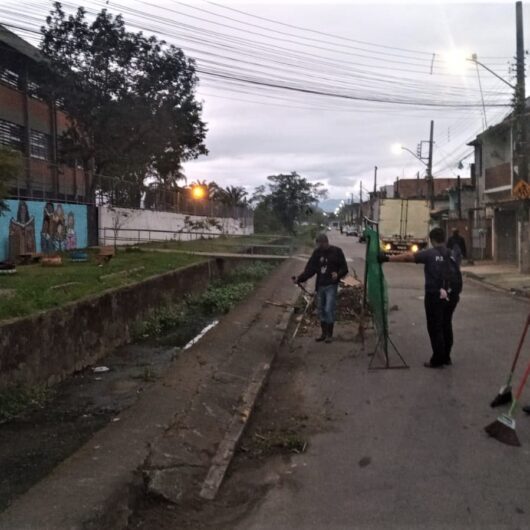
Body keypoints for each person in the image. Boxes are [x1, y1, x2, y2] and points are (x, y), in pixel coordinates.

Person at [380, 227, 462, 368]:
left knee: (435, 327)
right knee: (446, 324)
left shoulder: (429, 254)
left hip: (434, 294)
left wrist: (387, 258)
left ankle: (437, 359)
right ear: (444, 238)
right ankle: (446, 357)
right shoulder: (452, 254)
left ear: (432, 240)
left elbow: (408, 257)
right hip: (452, 294)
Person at [294, 233, 348, 343]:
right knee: (321, 310)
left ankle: (329, 335)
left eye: (319, 244)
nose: (318, 247)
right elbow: (310, 269)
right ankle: (323, 334)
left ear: (325, 242)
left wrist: (338, 274)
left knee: (329, 309)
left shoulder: (337, 251)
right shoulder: (317, 253)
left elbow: (344, 268)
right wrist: (299, 278)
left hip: (331, 286)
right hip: (320, 286)